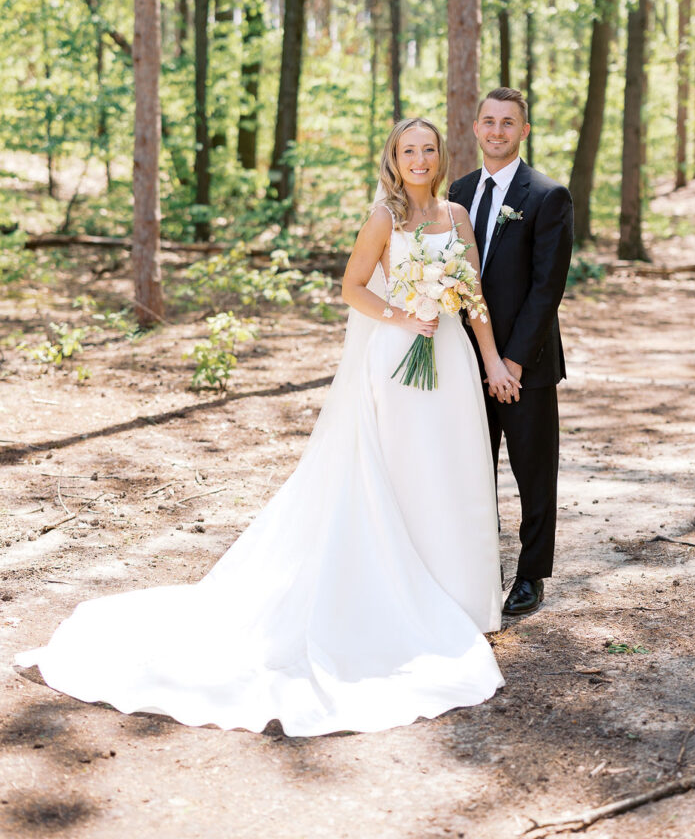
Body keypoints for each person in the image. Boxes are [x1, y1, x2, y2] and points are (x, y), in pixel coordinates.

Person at [16, 117, 517, 737]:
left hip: (452, 362)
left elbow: (473, 298)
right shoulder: (384, 217)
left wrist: (491, 357)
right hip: (397, 356)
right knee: (401, 473)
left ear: (442, 156)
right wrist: (401, 312)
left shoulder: (458, 216)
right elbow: (352, 287)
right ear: (394, 157)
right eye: (408, 150)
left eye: (428, 149)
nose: (419, 158)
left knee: (451, 474)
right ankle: (397, 594)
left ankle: (457, 599)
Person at [449, 88, 574, 617]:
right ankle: (476, 572)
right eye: (489, 121)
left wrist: (513, 361)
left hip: (527, 365)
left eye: (508, 123)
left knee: (532, 471)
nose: (497, 131)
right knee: (471, 470)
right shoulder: (456, 191)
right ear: (475, 128)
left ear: (524, 131)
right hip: (464, 360)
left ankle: (530, 576)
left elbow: (548, 287)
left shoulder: (548, 196)